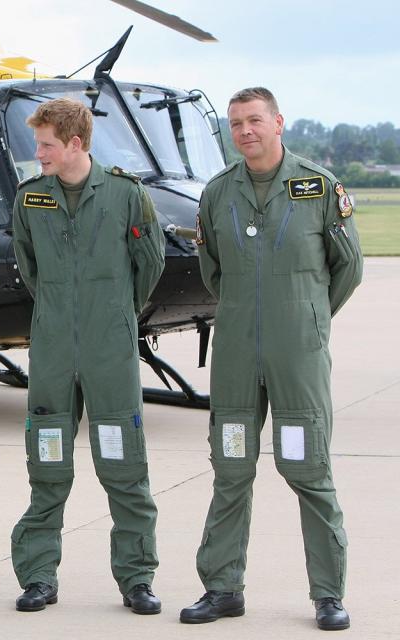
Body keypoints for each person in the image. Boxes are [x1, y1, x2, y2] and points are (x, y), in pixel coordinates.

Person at [180, 87, 362, 631]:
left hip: (296, 356)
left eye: (255, 120)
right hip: (236, 352)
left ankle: (328, 595)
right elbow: (214, 270)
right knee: (231, 468)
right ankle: (222, 588)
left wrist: (306, 317)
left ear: (278, 122)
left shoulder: (318, 187)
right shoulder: (217, 194)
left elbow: (347, 266)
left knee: (308, 470)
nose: (245, 132)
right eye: (236, 124)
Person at [9, 98, 165, 613]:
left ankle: (137, 579)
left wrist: (114, 314)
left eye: (47, 144)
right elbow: (29, 268)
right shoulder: (31, 198)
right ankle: (38, 576)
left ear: (76, 144)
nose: (39, 153)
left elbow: (149, 264)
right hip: (52, 350)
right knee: (47, 463)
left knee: (124, 467)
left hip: (109, 352)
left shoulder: (125, 195)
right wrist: (61, 313)